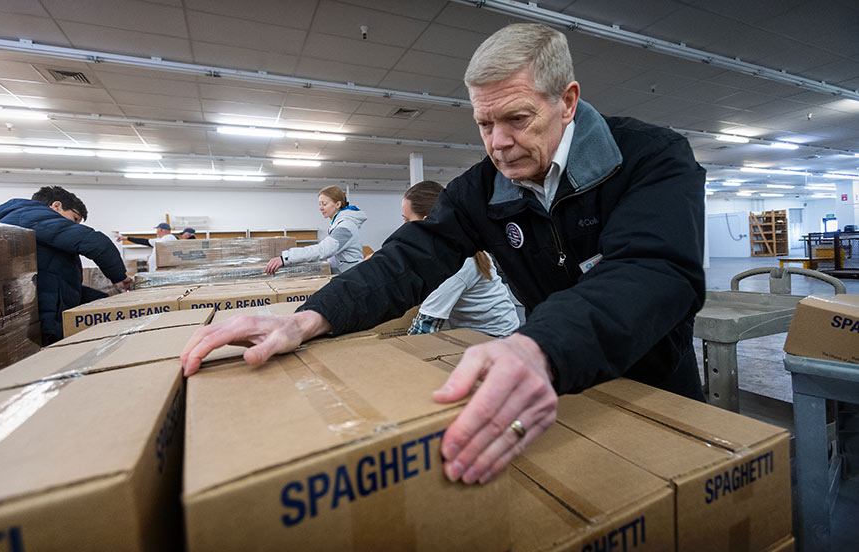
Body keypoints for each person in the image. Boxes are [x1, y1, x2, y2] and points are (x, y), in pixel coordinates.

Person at [181, 23, 706, 486]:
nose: (498, 144)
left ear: (566, 101)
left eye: (518, 119)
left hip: (654, 385)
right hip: (558, 387)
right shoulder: (480, 190)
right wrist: (306, 320)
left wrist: (537, 347)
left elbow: (653, 270)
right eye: (483, 124)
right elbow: (406, 260)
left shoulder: (649, 158)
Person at [0, 186, 132, 345]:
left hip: (45, 301)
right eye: (75, 218)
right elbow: (95, 242)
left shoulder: (26, 219)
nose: (76, 225)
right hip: (45, 313)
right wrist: (120, 277)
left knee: (105, 303)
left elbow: (52, 273)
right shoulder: (31, 217)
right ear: (56, 206)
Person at [403, 181, 519, 337]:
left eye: (406, 219)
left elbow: (424, 326)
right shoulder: (455, 245)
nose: (403, 226)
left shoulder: (458, 263)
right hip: (476, 334)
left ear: (425, 221)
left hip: (494, 339)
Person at [264, 186, 366, 275]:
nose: (321, 208)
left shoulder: (346, 226)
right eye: (319, 204)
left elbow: (323, 250)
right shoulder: (338, 224)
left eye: (324, 204)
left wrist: (286, 258)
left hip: (351, 279)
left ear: (337, 204)